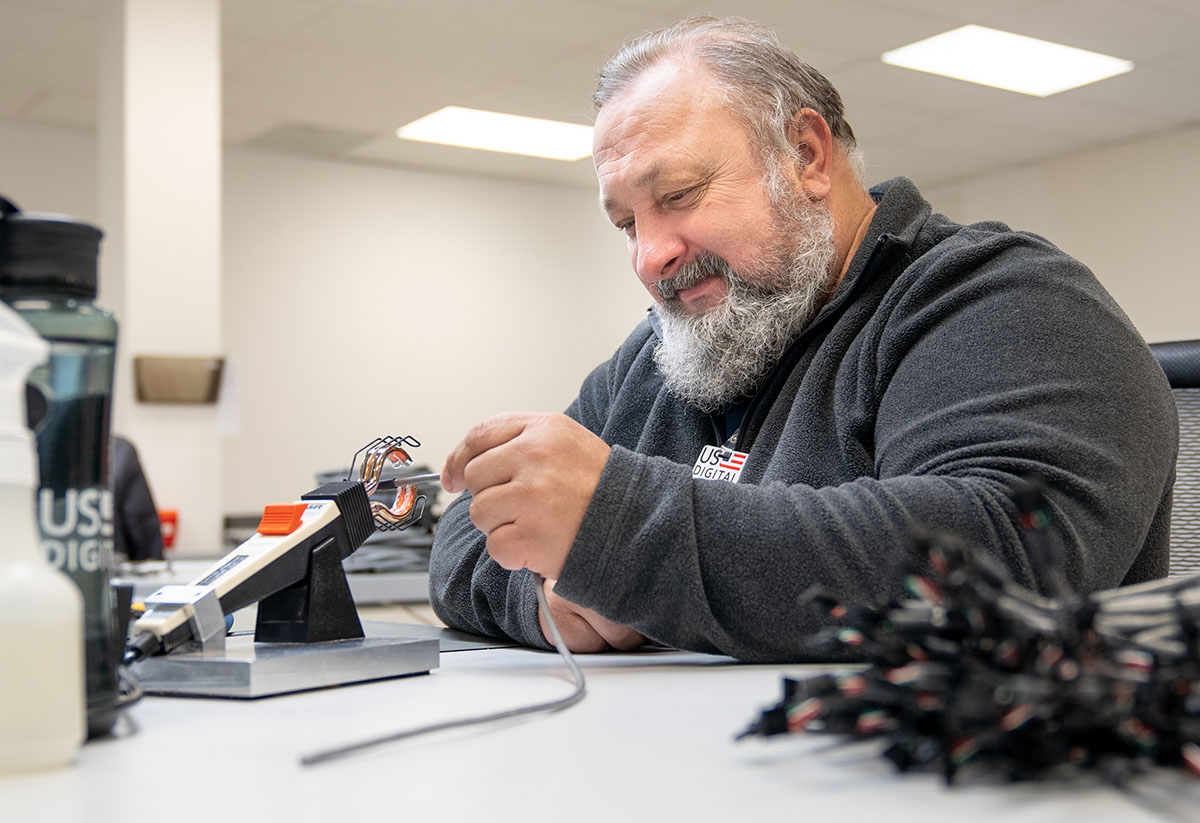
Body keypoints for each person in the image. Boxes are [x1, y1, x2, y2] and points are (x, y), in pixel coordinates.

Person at [428, 16, 1178, 662]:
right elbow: (469, 527)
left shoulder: (1006, 300)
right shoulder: (667, 349)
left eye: (679, 195)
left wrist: (617, 533)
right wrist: (547, 598)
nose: (649, 255)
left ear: (808, 157)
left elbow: (1009, 552)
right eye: (627, 224)